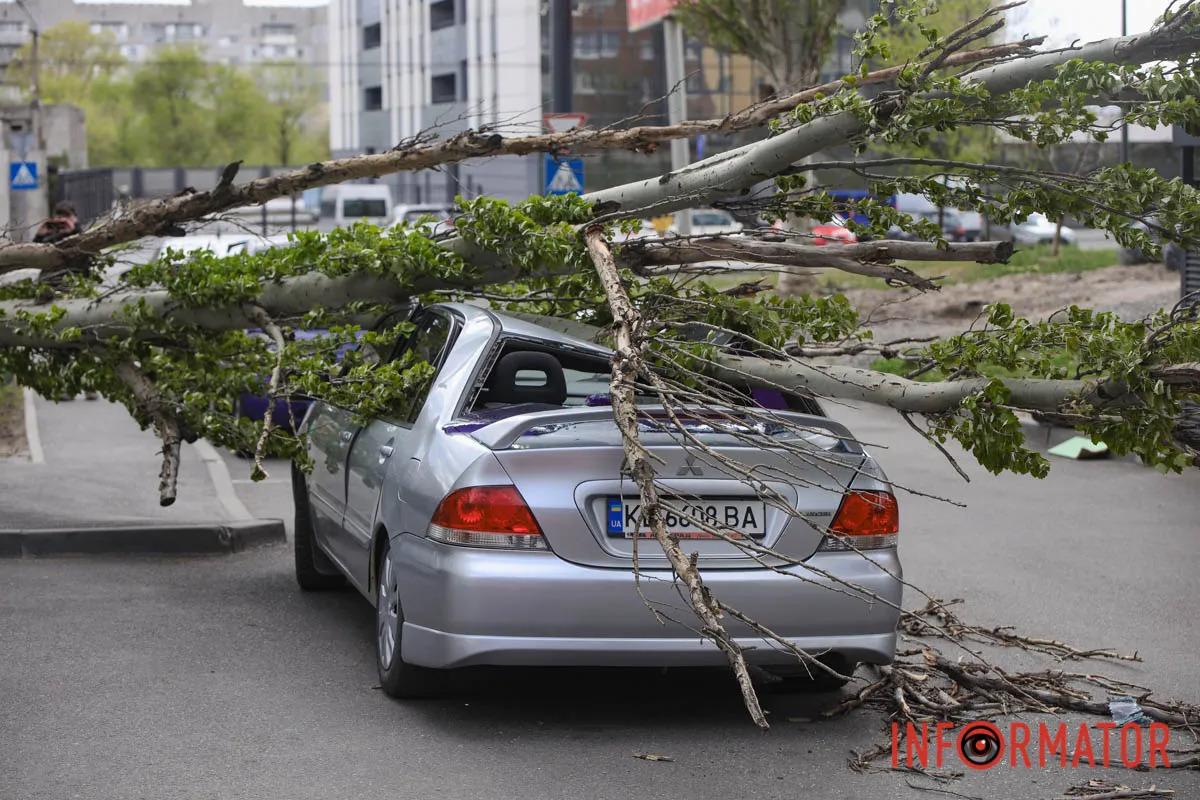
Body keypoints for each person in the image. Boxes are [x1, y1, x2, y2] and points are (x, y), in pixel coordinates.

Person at [34, 203, 98, 401]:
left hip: (77, 291)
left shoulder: (81, 236)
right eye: (58, 219)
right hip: (52, 292)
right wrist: (40, 234)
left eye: (65, 219)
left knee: (82, 340)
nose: (61, 225)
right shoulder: (47, 238)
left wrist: (74, 231)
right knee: (59, 341)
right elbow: (32, 254)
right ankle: (66, 387)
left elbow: (88, 259)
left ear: (74, 218)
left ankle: (89, 386)